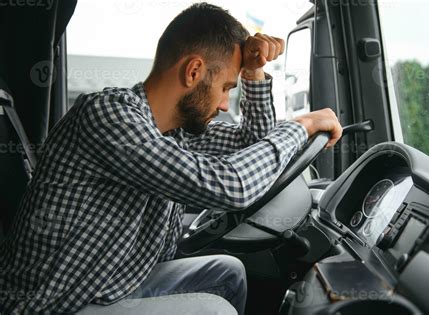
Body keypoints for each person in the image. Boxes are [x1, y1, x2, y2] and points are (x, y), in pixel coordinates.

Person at [0, 2, 342, 314]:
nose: (225, 105)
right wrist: (302, 125)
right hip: (53, 306)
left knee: (227, 272)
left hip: (105, 287)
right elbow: (231, 186)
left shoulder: (175, 130)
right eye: (225, 88)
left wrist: (252, 73)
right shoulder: (109, 116)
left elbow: (253, 143)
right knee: (214, 310)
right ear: (193, 71)